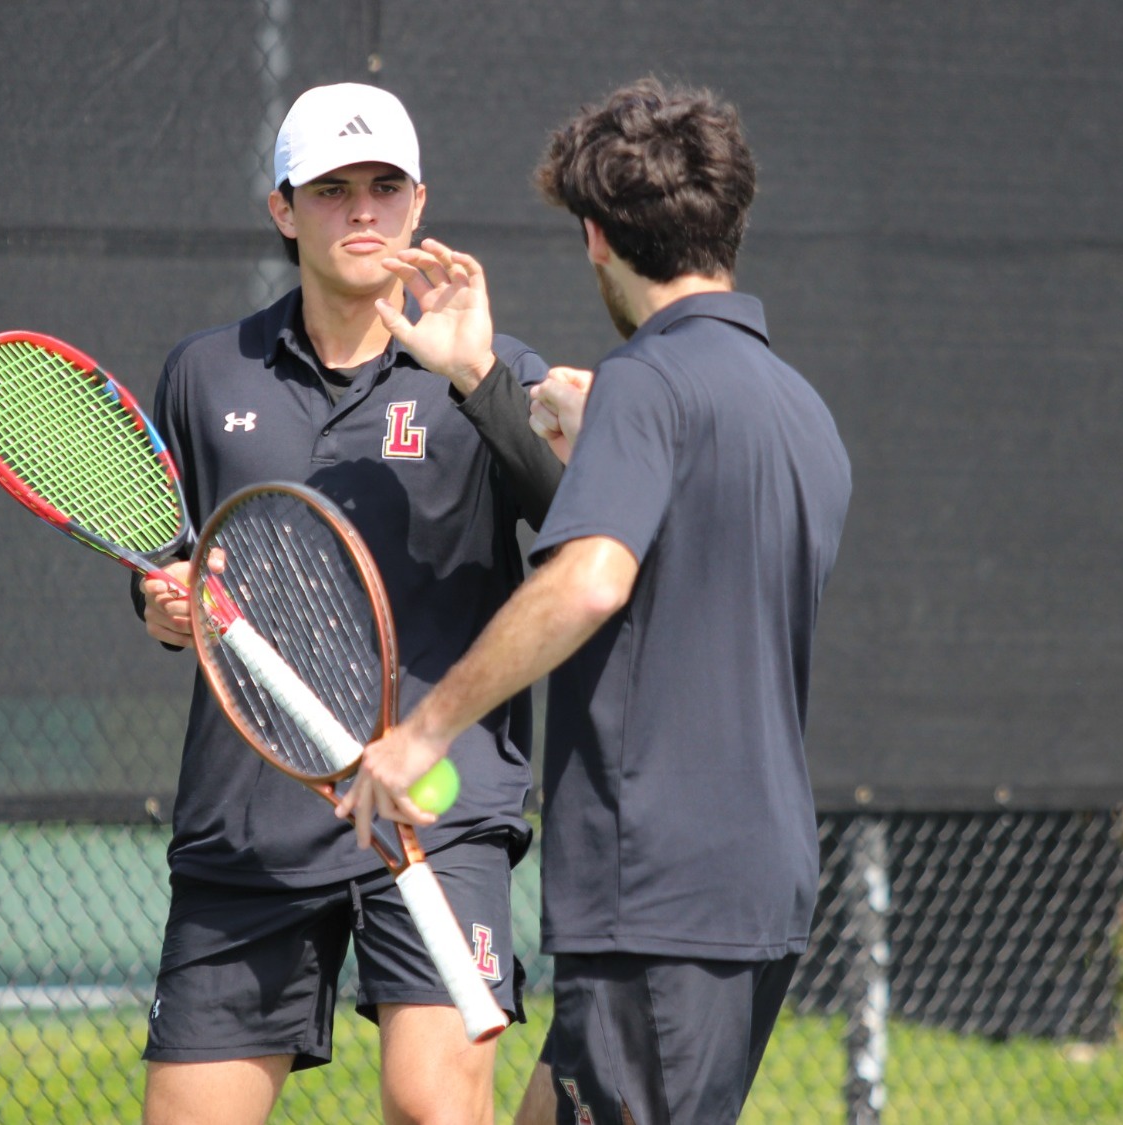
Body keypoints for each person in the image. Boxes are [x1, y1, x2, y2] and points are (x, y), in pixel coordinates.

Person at [338, 78, 853, 1125]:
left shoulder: (644, 385)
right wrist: (497, 382)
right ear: (730, 220)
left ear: (595, 239)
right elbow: (688, 582)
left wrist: (422, 733)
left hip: (656, 895)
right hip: (751, 887)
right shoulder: (799, 411)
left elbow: (592, 578)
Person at [134, 82, 562, 1125]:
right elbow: (161, 567)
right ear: (283, 208)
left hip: (434, 811)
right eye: (331, 188)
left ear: (418, 202)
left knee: (432, 1108)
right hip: (249, 820)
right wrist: (163, 606)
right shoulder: (203, 372)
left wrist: (473, 382)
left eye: (382, 186)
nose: (360, 210)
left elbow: (579, 528)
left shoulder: (491, 372)